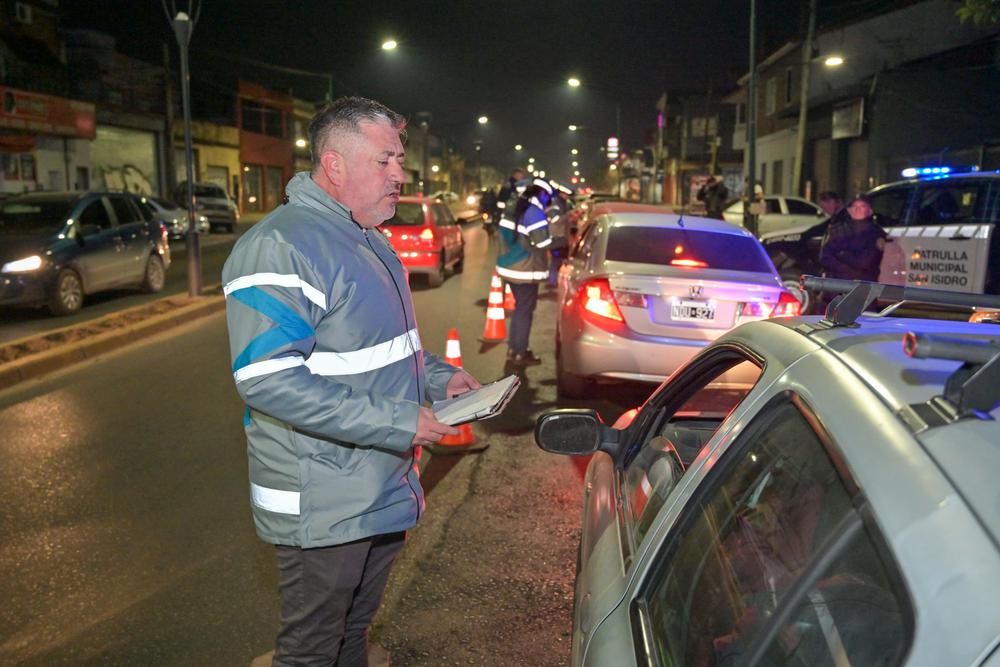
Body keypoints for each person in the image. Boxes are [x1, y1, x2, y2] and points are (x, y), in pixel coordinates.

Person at [222, 96, 481, 667]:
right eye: (384, 160)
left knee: (353, 634)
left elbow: (376, 349)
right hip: (325, 501)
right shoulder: (281, 245)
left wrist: (440, 379)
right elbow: (267, 379)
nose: (399, 174)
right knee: (313, 649)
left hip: (378, 485)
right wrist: (398, 421)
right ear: (334, 164)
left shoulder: (365, 237)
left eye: (399, 160)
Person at [496, 178, 554, 365]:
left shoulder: (516, 207)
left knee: (520, 309)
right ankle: (520, 352)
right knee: (524, 311)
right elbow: (542, 243)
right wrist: (561, 240)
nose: (548, 201)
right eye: (548, 197)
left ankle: (514, 349)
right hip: (524, 269)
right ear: (542, 194)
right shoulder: (534, 212)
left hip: (510, 267)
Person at [819, 194, 886, 282]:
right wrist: (844, 268)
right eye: (854, 206)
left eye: (862, 206)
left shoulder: (876, 232)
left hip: (865, 283)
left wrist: (842, 255)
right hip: (838, 282)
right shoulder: (836, 230)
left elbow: (866, 261)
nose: (857, 209)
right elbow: (825, 257)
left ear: (870, 211)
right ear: (849, 210)